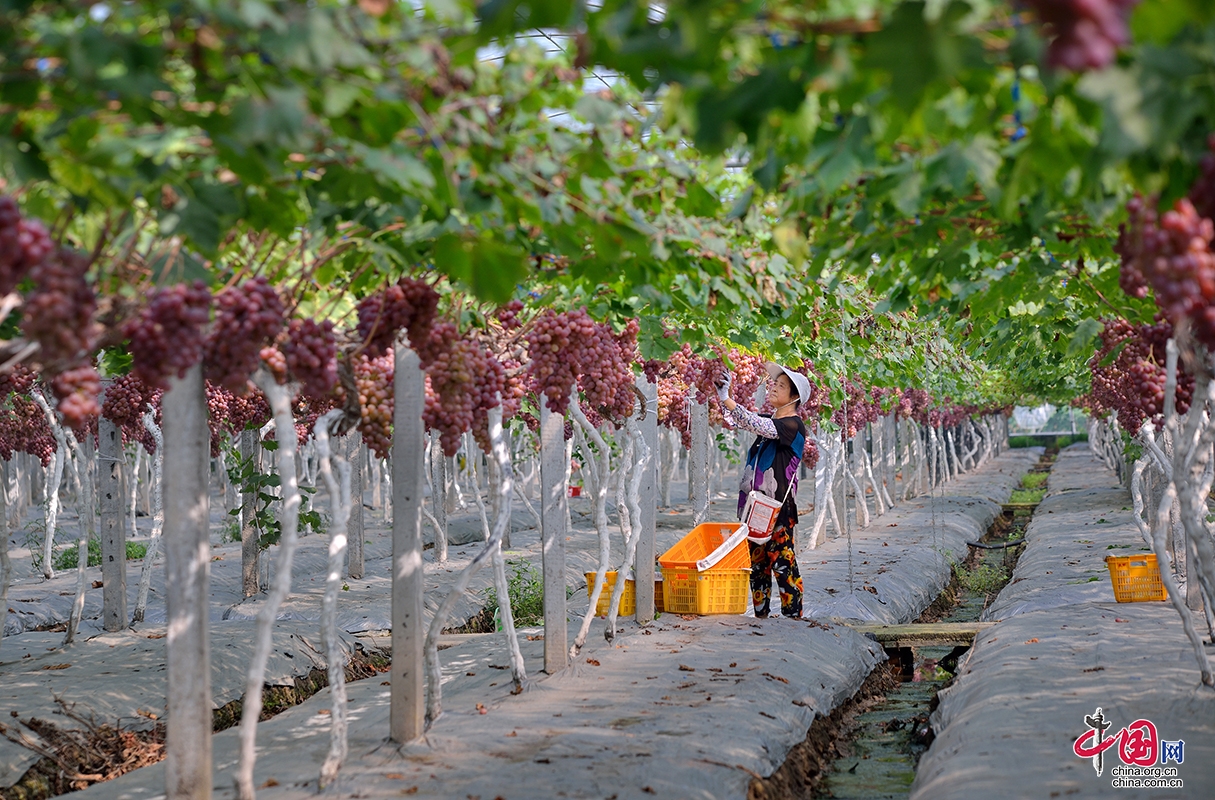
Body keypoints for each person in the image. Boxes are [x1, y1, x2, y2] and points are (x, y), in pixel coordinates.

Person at [716, 363, 810, 619]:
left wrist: (729, 400)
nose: (773, 388)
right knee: (757, 566)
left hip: (777, 510)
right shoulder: (769, 422)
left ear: (794, 397)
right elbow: (740, 422)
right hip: (754, 510)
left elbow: (755, 423)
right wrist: (722, 398)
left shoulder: (793, 426)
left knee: (783, 564)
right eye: (773, 383)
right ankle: (761, 617)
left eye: (780, 386)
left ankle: (794, 619)